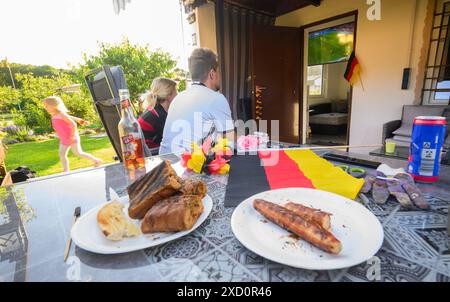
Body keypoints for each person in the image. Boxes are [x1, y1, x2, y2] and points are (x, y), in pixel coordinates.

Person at [159, 48, 234, 154]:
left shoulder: (178, 98)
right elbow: (230, 140)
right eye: (219, 72)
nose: (220, 77)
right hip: (188, 165)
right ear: (212, 74)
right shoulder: (216, 98)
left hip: (165, 164)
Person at [43, 96, 102, 172]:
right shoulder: (54, 114)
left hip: (72, 136)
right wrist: (80, 120)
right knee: (62, 154)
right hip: (64, 138)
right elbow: (70, 117)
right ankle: (66, 171)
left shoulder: (61, 114)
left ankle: (96, 160)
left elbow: (73, 124)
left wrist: (71, 136)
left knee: (78, 153)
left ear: (53, 105)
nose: (45, 108)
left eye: (46, 106)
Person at [138, 77, 177, 149]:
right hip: (152, 155)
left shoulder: (154, 110)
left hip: (152, 152)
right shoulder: (158, 116)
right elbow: (174, 140)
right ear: (169, 95)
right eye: (176, 91)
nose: (177, 95)